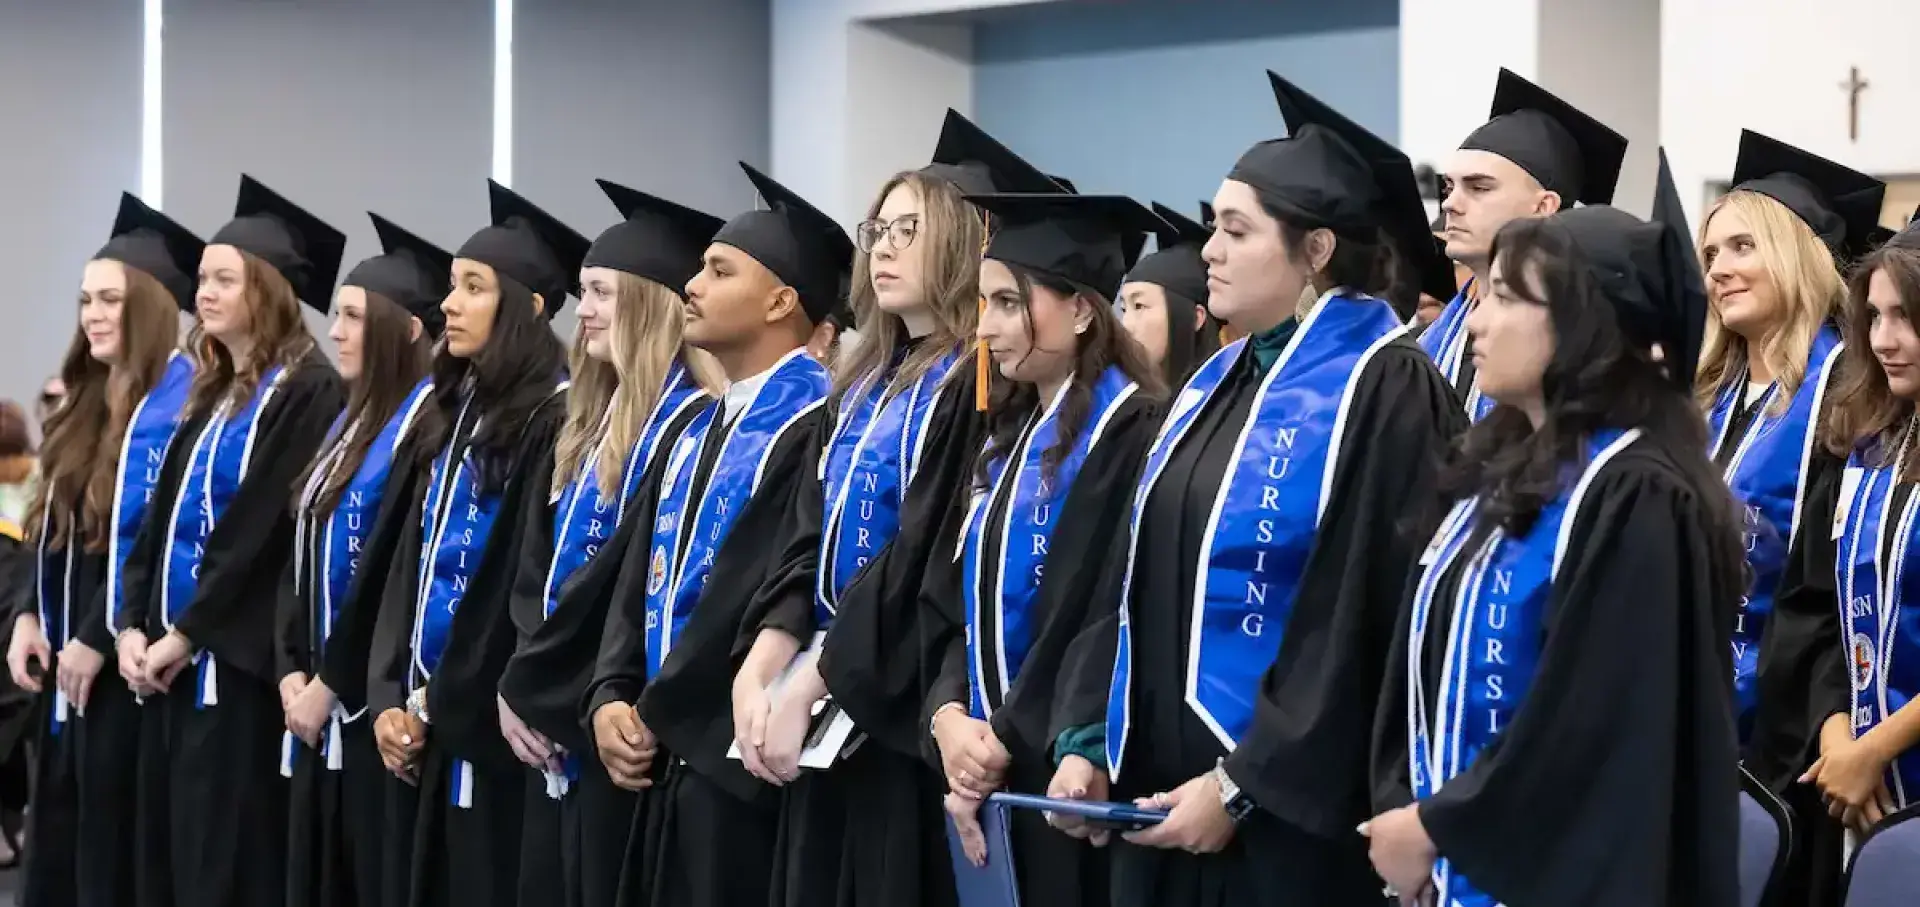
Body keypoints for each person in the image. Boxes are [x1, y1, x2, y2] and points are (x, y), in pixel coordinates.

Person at [1041, 71, 1460, 906]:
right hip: (1153, 806)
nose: (1208, 252)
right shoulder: (1214, 383)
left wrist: (1241, 783)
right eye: (1212, 228)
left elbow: (1362, 618)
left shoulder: (1386, 390)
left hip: (1284, 830)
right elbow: (1129, 580)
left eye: (1236, 230)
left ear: (1316, 251)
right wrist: (1087, 739)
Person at [1365, 154, 1744, 907]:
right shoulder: (1507, 469)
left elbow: (1595, 722)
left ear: (1584, 324)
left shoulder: (1638, 492)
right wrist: (1412, 810)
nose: (1475, 318)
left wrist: (1442, 825)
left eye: (1505, 298)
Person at [735, 109, 1063, 907]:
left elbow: (922, 555)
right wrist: (761, 665)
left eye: (906, 229)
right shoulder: (862, 387)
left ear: (960, 240)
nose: (880, 246)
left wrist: (814, 680)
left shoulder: (978, 387)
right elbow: (804, 538)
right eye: (876, 227)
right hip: (819, 710)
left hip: (893, 713)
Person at [578, 162, 839, 907]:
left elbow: (755, 592)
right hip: (670, 750)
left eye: (718, 270)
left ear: (781, 300)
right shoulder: (699, 426)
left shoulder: (814, 425)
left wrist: (656, 709)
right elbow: (635, 581)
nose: (692, 284)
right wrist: (609, 692)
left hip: (735, 762)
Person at [925, 192, 1167, 906]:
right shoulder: (1007, 436)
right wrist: (948, 716)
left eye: (1007, 302)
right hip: (990, 767)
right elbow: (957, 596)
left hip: (1063, 769)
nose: (985, 327)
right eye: (982, 303)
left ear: (1084, 310)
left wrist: (1003, 734)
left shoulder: (1135, 430)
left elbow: (1097, 604)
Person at [115, 175, 348, 907]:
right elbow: (159, 519)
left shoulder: (309, 390)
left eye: (224, 278)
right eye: (203, 278)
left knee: (228, 854)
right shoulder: (214, 388)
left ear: (269, 290)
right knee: (174, 851)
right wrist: (130, 621)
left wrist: (184, 634)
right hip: (171, 664)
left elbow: (255, 532)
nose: (202, 292)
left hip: (235, 668)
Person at [495, 179, 725, 907]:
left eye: (599, 291)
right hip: (551, 707)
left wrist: (564, 689)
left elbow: (625, 583)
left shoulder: (689, 424)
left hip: (615, 715)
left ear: (648, 302)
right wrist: (517, 682)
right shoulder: (581, 421)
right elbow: (533, 568)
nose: (583, 310)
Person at [357, 180, 579, 907]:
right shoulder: (453, 413)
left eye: (472, 287)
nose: (447, 303)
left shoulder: (556, 418)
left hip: (489, 725)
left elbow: (514, 586)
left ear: (530, 306)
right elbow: (407, 568)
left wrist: (434, 708)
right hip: (426, 720)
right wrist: (387, 692)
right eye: (451, 285)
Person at [1702, 132, 1885, 907]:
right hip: (1697, 738)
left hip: (1796, 750)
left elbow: (1825, 589)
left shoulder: (1847, 397)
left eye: (1743, 244)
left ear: (1798, 251)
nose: (1718, 267)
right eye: (1710, 252)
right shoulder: (1709, 400)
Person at [3, 192, 198, 907]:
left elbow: (152, 543)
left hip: (126, 669)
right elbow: (55, 531)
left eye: (110, 299)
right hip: (65, 668)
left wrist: (93, 630)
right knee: (57, 849)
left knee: (112, 856)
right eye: (86, 298)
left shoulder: (182, 407)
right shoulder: (83, 401)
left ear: (148, 305)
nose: (92, 314)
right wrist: (29, 614)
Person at [277, 212, 443, 907]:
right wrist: (290, 665)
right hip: (315, 699)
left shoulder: (426, 426)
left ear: (405, 328)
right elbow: (301, 549)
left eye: (352, 316)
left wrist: (335, 679)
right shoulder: (349, 421)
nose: (336, 331)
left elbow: (387, 574)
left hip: (372, 708)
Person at [1801, 227, 1920, 855]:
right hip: (1860, 787)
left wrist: (1876, 747)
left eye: (1906, 315)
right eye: (1873, 316)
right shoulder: (1869, 451)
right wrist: (1837, 736)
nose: (1883, 340)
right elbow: (1822, 605)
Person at [1418, 68, 1629, 421]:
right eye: (1448, 187)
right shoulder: (1425, 347)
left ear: (1544, 207)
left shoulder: (1588, 354)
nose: (1450, 204)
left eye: (1479, 187)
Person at [1119, 202, 1222, 386]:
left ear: (1196, 318)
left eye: (1139, 306)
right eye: (1124, 309)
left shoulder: (1221, 400)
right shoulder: (1126, 405)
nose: (1125, 325)